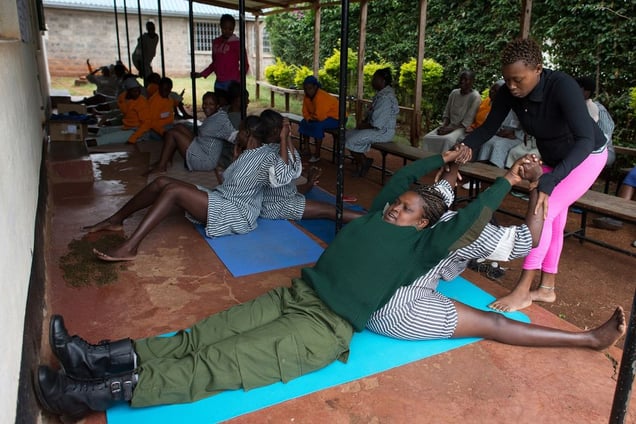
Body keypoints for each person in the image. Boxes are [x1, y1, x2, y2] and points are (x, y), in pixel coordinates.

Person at [34, 151, 626, 422]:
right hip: (300, 296)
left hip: (326, 328)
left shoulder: (430, 244)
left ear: (427, 223)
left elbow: (475, 225)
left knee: (218, 363)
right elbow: (410, 184)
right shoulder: (382, 217)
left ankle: (89, 394)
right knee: (203, 334)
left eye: (408, 211)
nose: (394, 212)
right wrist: (441, 162)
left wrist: (508, 183)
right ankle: (99, 357)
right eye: (396, 206)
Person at [460, 38, 609, 312]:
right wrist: (463, 148)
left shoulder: (562, 86)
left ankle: (523, 290)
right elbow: (488, 128)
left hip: (586, 156)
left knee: (543, 210)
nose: (512, 86)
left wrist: (552, 178)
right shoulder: (508, 92)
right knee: (553, 219)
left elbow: (586, 139)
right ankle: (547, 288)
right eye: (507, 80)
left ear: (538, 69)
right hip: (554, 158)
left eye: (518, 79)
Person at [84, 115, 299, 262]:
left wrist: (284, 138)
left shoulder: (268, 155)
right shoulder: (246, 153)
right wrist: (235, 159)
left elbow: (287, 173)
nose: (236, 134)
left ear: (249, 134)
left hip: (237, 213)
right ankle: (116, 220)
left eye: (240, 131)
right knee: (162, 182)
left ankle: (130, 247)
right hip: (222, 198)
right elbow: (229, 182)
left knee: (173, 192)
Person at [259, 109, 366, 223]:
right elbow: (289, 174)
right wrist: (285, 138)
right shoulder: (267, 154)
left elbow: (295, 171)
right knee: (329, 210)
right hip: (275, 206)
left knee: (319, 202)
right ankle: (372, 222)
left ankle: (369, 220)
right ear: (277, 130)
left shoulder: (270, 147)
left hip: (280, 198)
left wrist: (287, 137)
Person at [146, 92, 235, 174]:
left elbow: (232, 135)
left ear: (217, 106)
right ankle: (167, 160)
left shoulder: (220, 119)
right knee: (178, 126)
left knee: (172, 133)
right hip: (200, 146)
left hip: (205, 160)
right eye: (205, 103)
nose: (206, 106)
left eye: (211, 104)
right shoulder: (215, 116)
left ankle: (161, 166)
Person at [345, 68, 399, 177]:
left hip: (382, 132)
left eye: (375, 78)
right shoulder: (381, 94)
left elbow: (377, 124)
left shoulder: (385, 97)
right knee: (346, 135)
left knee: (351, 140)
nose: (373, 81)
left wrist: (363, 126)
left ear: (382, 81)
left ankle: (363, 163)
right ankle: (364, 161)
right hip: (375, 129)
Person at [421, 70, 482, 154]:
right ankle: (425, 160)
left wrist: (448, 129)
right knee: (427, 138)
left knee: (447, 140)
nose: (462, 81)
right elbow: (447, 113)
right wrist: (444, 126)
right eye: (461, 78)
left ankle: (442, 163)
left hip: (461, 129)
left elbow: (467, 123)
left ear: (472, 81)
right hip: (449, 125)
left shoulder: (475, 97)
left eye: (465, 79)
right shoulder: (454, 93)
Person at [193, 14, 249, 100]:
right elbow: (215, 63)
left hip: (232, 83)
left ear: (234, 28)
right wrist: (202, 74)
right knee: (220, 109)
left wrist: (239, 80)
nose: (227, 31)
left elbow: (245, 64)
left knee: (232, 108)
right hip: (219, 82)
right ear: (220, 26)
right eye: (225, 28)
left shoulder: (238, 43)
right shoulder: (216, 42)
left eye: (230, 29)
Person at [298, 76, 340, 163]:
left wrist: (311, 119)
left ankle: (317, 154)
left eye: (309, 88)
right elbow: (305, 111)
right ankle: (306, 148)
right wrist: (308, 118)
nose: (307, 91)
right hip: (319, 117)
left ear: (315, 87)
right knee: (303, 122)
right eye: (305, 89)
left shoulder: (321, 96)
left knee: (318, 126)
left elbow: (320, 116)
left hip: (336, 118)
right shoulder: (307, 97)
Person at [95, 77, 148, 146]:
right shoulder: (123, 97)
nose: (137, 93)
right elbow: (117, 110)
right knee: (104, 130)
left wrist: (133, 138)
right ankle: (80, 130)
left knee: (105, 138)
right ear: (128, 91)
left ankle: (82, 146)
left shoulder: (142, 102)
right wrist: (105, 116)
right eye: (134, 91)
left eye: (138, 91)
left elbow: (146, 124)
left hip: (137, 131)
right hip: (127, 126)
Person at [127, 77, 176, 144]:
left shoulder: (169, 99)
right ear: (159, 88)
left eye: (168, 90)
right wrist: (163, 132)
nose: (166, 92)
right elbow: (151, 122)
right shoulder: (154, 102)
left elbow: (169, 114)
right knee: (174, 137)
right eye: (164, 89)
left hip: (167, 126)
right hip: (155, 130)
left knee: (182, 129)